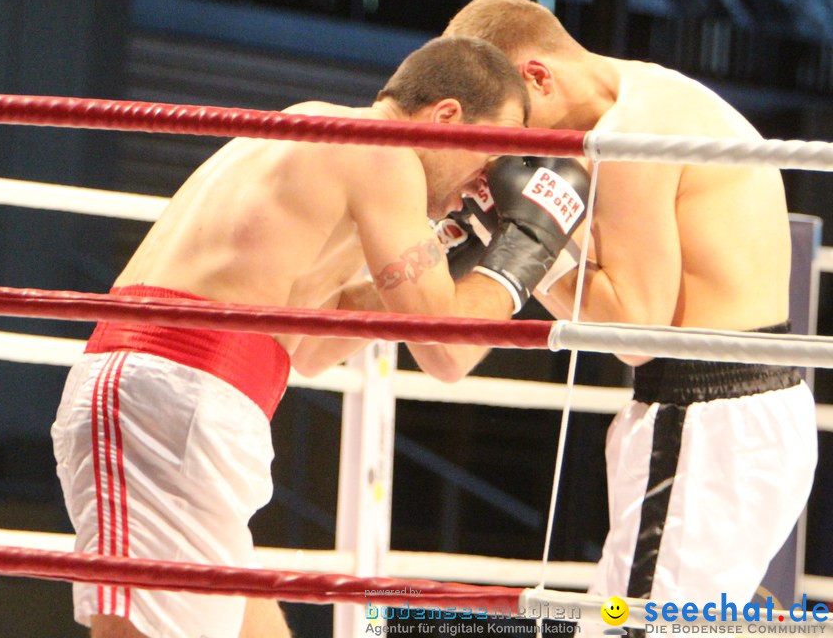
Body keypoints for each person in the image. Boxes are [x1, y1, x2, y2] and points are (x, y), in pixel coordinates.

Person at [51, 35, 591, 638]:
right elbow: (448, 351)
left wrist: (456, 244)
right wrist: (526, 247)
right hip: (169, 404)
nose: (483, 181)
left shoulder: (324, 138)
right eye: (492, 151)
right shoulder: (383, 155)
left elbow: (309, 348)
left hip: (185, 404)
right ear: (445, 116)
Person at [444, 0, 817, 613]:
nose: (516, 145)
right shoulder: (656, 93)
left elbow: (636, 333)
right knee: (627, 620)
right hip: (731, 420)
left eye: (514, 120)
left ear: (537, 75)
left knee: (633, 628)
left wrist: (529, 248)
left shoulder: (626, 137)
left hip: (707, 426)